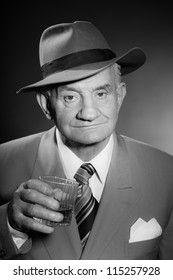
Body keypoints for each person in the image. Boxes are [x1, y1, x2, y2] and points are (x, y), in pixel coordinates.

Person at [0, 21, 173, 260]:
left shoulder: (167, 172)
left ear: (119, 96)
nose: (89, 113)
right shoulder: (2, 163)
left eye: (101, 93)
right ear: (46, 105)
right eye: (71, 97)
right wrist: (8, 225)